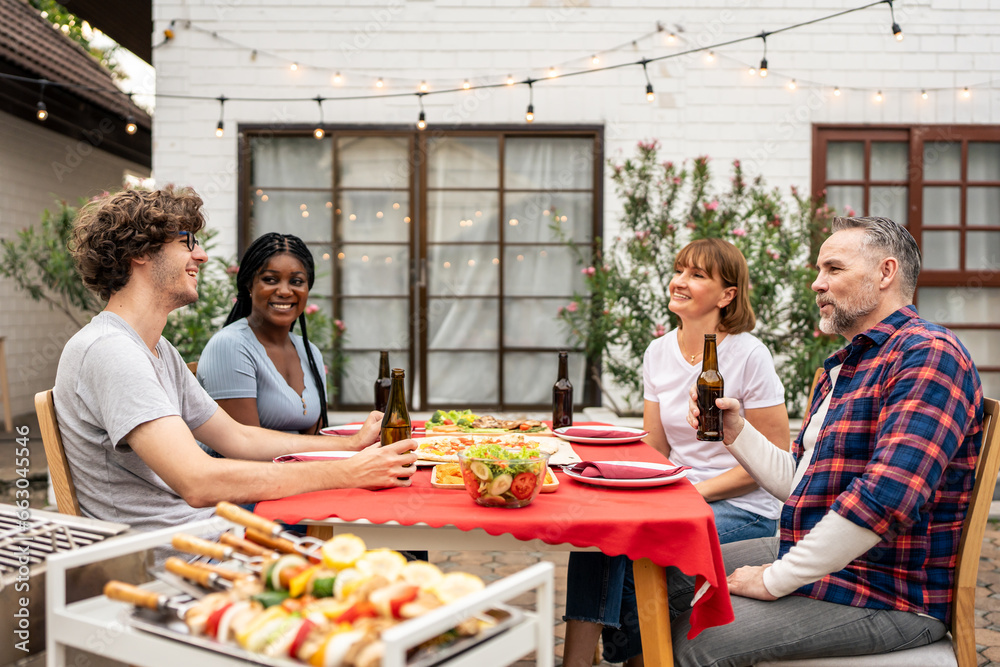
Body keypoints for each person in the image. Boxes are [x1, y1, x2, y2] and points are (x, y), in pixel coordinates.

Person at [674, 217, 983, 666]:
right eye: (818, 271)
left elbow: (887, 499)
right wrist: (735, 433)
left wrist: (776, 579)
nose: (817, 284)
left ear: (885, 273)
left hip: (887, 590)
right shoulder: (851, 363)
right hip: (833, 563)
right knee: (666, 572)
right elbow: (801, 483)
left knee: (700, 640)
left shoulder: (927, 356)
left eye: (833, 270)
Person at [54, 187, 416, 539]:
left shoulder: (157, 349)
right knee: (396, 551)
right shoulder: (111, 351)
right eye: (187, 242)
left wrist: (350, 446)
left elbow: (238, 437)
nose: (202, 256)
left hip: (214, 535)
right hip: (179, 561)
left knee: (396, 538)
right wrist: (347, 473)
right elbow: (198, 481)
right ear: (140, 252)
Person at [563, 238, 791, 666]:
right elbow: (656, 446)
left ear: (727, 295)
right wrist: (617, 479)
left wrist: (688, 494)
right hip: (679, 494)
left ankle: (639, 659)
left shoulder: (748, 354)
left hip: (744, 507)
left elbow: (775, 460)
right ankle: (577, 663)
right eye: (680, 270)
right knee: (599, 532)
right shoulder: (659, 351)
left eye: (697, 275)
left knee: (637, 543)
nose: (679, 282)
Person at [198, 233, 328, 440]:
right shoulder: (230, 345)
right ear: (249, 285)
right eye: (270, 279)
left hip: (297, 469)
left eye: (296, 281)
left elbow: (317, 439)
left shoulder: (310, 352)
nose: (285, 291)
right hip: (244, 470)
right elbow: (246, 447)